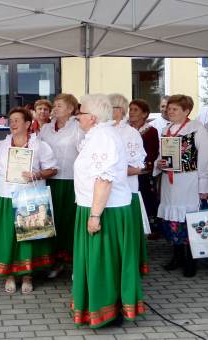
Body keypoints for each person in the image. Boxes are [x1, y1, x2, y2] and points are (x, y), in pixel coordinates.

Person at [72, 94, 144, 328]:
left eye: (80, 113)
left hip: (105, 210)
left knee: (103, 260)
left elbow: (104, 180)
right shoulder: (96, 135)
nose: (77, 117)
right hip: (94, 206)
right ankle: (98, 307)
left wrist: (95, 215)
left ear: (92, 117)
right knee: (97, 260)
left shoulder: (103, 137)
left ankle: (107, 312)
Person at [0, 107, 58, 294]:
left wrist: (37, 173)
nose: (13, 124)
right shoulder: (2, 146)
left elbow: (53, 169)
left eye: (17, 120)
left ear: (28, 124)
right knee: (8, 238)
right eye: (11, 120)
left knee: (29, 239)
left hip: (29, 196)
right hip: (5, 197)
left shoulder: (39, 145)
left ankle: (27, 276)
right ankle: (10, 275)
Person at [157, 94, 208, 277]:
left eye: (175, 109)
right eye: (169, 109)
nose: (170, 112)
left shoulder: (197, 129)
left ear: (186, 111)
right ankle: (177, 256)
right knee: (173, 220)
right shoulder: (166, 129)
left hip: (189, 181)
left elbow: (204, 159)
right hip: (170, 183)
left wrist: (203, 186)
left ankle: (191, 261)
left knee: (189, 220)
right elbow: (160, 154)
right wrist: (158, 163)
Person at [39, 93, 82, 271]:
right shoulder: (46, 128)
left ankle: (69, 261)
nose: (54, 109)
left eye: (59, 106)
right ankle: (50, 260)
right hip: (48, 181)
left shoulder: (78, 128)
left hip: (70, 181)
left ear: (71, 109)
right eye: (54, 106)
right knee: (49, 221)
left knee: (67, 221)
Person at [109, 93, 149, 274]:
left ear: (120, 111)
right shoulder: (104, 130)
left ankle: (127, 269)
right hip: (106, 193)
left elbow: (138, 167)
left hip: (125, 191)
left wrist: (107, 170)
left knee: (124, 236)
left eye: (111, 107)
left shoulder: (130, 133)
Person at [129, 99, 160, 236]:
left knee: (145, 199)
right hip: (128, 172)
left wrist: (143, 168)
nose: (131, 112)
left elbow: (152, 153)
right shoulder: (126, 129)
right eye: (130, 109)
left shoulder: (150, 131)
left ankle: (147, 228)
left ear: (144, 114)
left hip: (143, 173)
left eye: (135, 110)